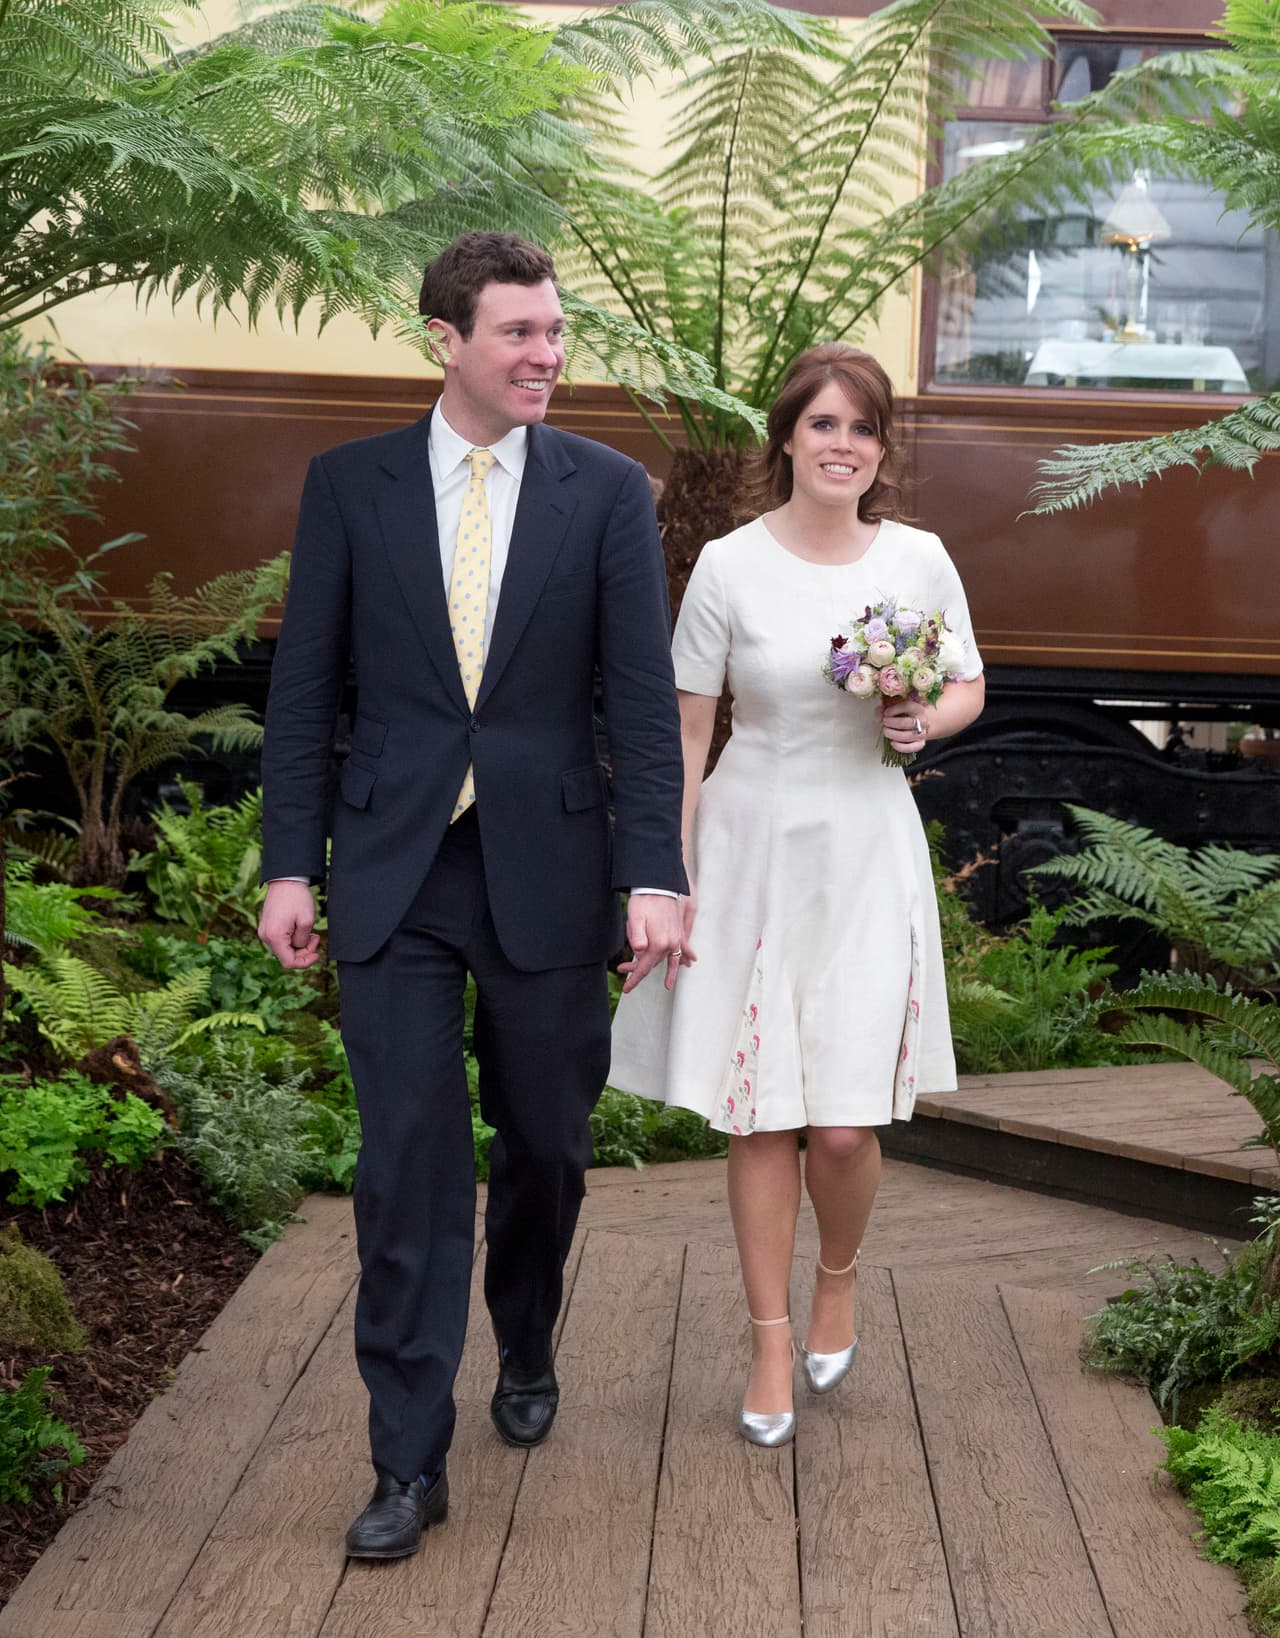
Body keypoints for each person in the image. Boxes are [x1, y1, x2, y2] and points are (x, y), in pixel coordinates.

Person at [258, 232, 687, 1558]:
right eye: (519, 333)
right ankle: (406, 1458)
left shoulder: (608, 492)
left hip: (552, 872)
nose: (547, 354)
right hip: (395, 871)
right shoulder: (350, 485)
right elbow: (304, 688)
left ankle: (532, 1324)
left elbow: (638, 704)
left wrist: (654, 872)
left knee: (546, 1144)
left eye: (556, 333)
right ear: (444, 337)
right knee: (407, 1167)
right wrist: (290, 860)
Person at [610, 343, 985, 1446]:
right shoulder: (728, 564)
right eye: (822, 425)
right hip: (749, 844)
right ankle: (769, 1335)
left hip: (865, 847)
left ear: (880, 451)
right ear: (786, 438)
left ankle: (837, 1275)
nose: (842, 446)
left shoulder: (917, 560)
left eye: (862, 429)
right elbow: (683, 730)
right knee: (759, 1112)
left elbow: (964, 681)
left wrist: (926, 720)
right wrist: (663, 874)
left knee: (836, 1126)